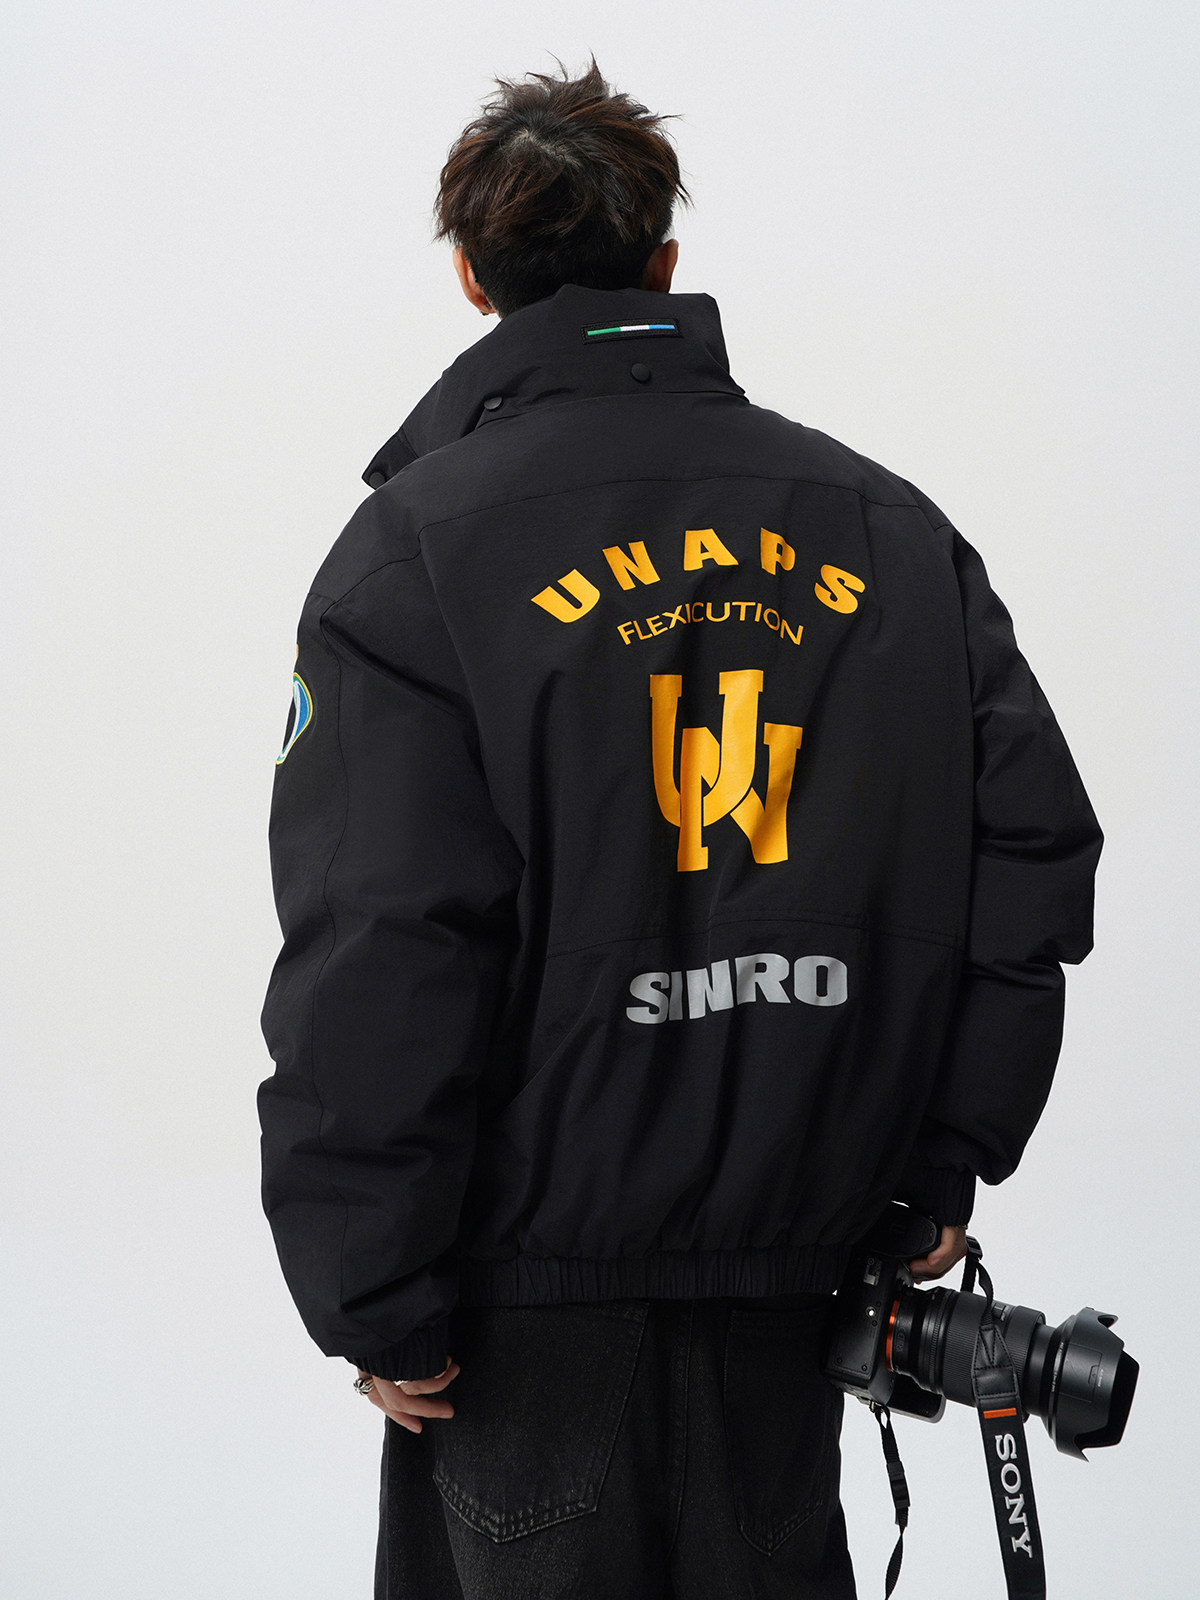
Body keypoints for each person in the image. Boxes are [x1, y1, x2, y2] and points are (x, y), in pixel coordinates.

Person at [258, 55, 1103, 1600]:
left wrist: (370, 1283)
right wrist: (938, 1165)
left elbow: (385, 941)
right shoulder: (889, 532)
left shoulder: (417, 556)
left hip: (521, 1327)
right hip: (802, 1286)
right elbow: (1030, 856)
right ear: (662, 263)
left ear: (474, 279)